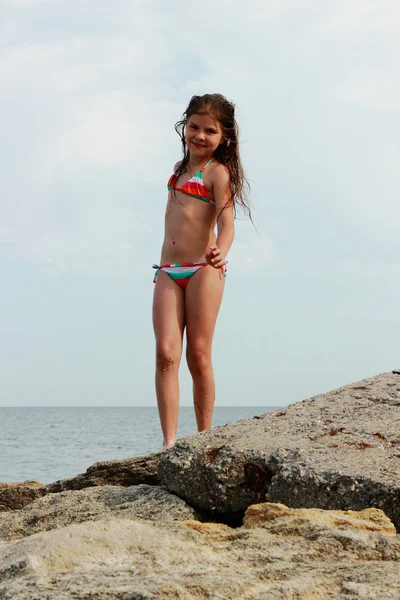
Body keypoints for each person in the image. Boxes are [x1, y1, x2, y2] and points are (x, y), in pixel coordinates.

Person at [152, 93, 251, 451]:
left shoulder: (217, 173)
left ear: (222, 137)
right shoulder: (177, 172)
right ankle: (169, 441)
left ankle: (204, 437)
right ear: (185, 127)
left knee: (198, 353)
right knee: (165, 352)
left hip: (203, 269)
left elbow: (228, 225)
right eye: (194, 127)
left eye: (210, 130)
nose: (200, 135)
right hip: (167, 269)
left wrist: (220, 252)